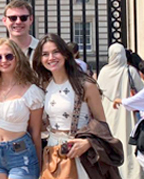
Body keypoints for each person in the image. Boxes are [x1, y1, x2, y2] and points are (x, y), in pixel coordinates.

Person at [33, 34, 106, 179]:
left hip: (79, 153)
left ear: (65, 54)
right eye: (45, 54)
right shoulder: (44, 86)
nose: (51, 58)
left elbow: (102, 123)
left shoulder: (85, 85)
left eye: (55, 52)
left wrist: (88, 142)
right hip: (53, 151)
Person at [0, 38, 43, 179]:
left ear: (17, 58)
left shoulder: (32, 92)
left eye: (9, 56)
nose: (3, 60)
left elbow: (35, 133)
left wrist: (40, 165)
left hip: (21, 152)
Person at [98, 43, 144, 179]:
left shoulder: (104, 72)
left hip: (108, 111)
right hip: (127, 112)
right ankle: (130, 173)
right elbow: (141, 91)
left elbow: (99, 92)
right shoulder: (130, 71)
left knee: (111, 139)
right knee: (127, 140)